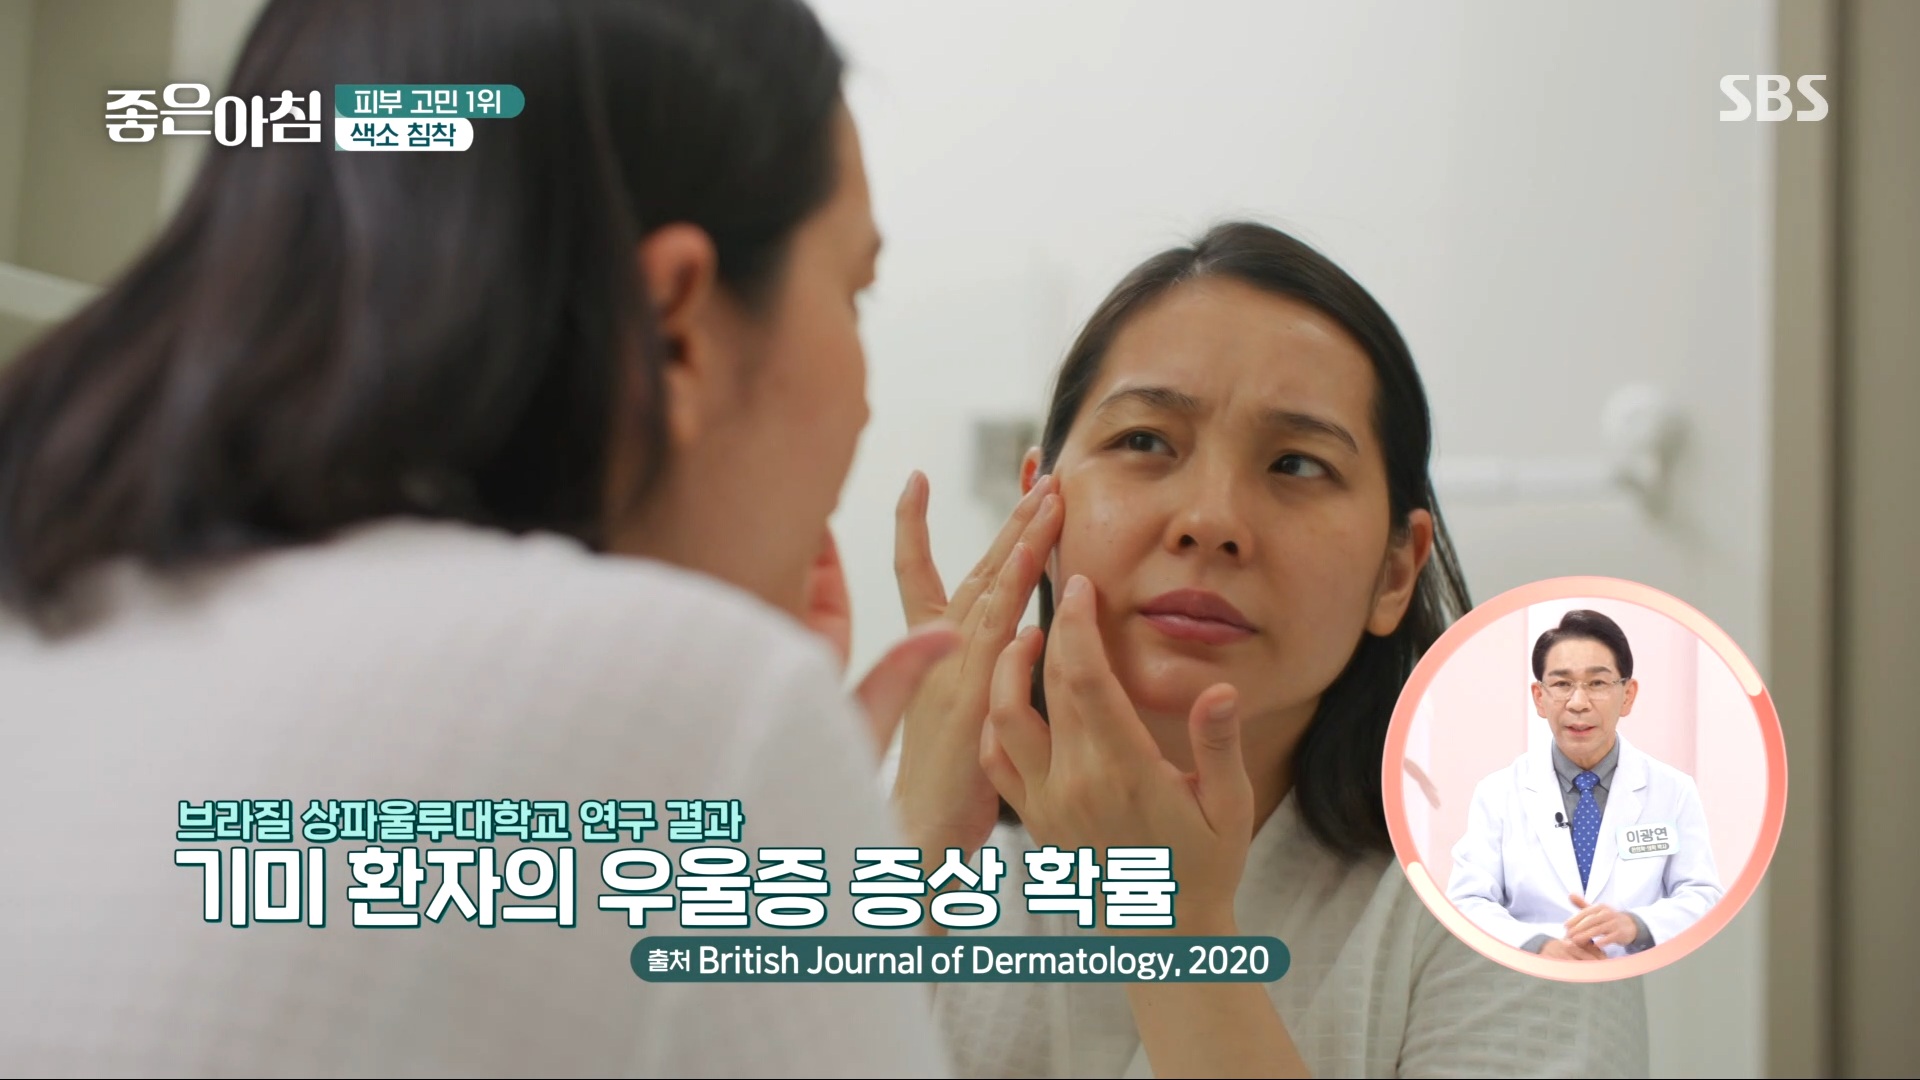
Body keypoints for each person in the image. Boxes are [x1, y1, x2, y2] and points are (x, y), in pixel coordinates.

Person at [0, 1, 957, 1075]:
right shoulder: (702, 700)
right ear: (674, 327)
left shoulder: (51, 613)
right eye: (855, 291)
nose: (865, 400)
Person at [888, 222, 1651, 1077]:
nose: (1210, 520)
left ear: (1395, 572)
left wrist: (1173, 928)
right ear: (1037, 504)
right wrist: (914, 846)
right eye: (1144, 441)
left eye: (1296, 464)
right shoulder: (920, 827)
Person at [1447, 610, 1724, 961]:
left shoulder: (1674, 791)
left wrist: (1635, 925)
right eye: (1562, 684)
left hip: (1634, 975)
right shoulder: (1497, 793)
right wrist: (1538, 944)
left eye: (1597, 683)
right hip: (1531, 977)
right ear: (1539, 697)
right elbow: (1468, 901)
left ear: (1627, 695)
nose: (1578, 703)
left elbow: (1702, 896)